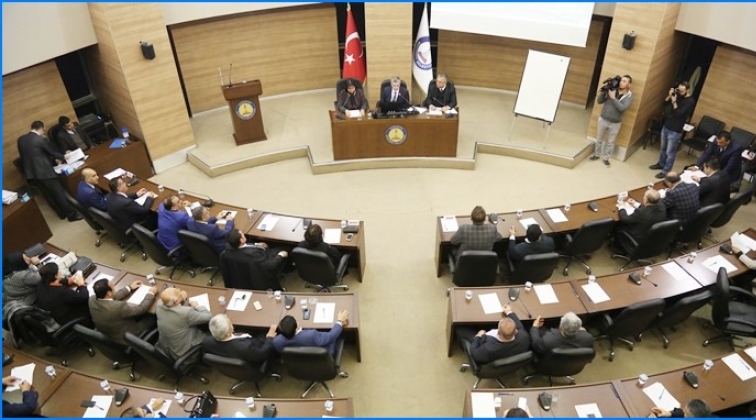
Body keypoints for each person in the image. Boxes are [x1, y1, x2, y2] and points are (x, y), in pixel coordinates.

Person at [17, 120, 82, 222]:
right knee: (59, 192)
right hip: (44, 172)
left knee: (48, 194)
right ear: (42, 128)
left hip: (32, 174)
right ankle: (72, 215)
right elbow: (52, 153)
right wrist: (64, 156)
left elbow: (33, 154)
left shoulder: (21, 139)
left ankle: (61, 214)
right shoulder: (40, 139)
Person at [89, 278, 158, 345]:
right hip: (126, 336)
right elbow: (141, 309)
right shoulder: (118, 307)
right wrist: (150, 293)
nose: (114, 287)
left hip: (110, 331)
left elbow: (111, 297)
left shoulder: (92, 299)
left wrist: (130, 287)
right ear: (109, 293)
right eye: (113, 287)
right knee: (153, 316)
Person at [650, 81, 695, 179]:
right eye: (679, 90)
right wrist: (669, 95)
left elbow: (679, 114)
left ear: (687, 90)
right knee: (663, 148)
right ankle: (661, 164)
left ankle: (666, 171)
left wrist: (674, 101)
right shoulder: (676, 95)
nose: (680, 93)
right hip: (666, 125)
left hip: (675, 130)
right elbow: (664, 103)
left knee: (670, 152)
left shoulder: (690, 101)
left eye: (682, 91)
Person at [457, 305, 530, 364]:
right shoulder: (524, 337)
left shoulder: (489, 348)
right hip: (508, 353)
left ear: (498, 332)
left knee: (460, 328)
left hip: (482, 345)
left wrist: (478, 336)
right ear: (516, 331)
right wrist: (509, 312)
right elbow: (520, 326)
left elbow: (475, 354)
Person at [155, 286, 212, 363]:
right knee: (211, 333)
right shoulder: (186, 312)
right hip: (183, 353)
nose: (179, 290)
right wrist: (197, 306)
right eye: (178, 291)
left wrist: (181, 297)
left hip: (166, 349)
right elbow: (208, 317)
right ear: (176, 301)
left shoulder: (159, 304)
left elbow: (172, 305)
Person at [590, 75, 633, 167]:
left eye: (624, 81)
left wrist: (613, 98)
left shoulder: (629, 96)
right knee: (599, 139)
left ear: (629, 85)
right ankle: (596, 155)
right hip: (603, 119)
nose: (621, 82)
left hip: (615, 123)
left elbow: (622, 108)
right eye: (621, 80)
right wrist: (604, 91)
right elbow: (599, 101)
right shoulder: (612, 89)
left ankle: (606, 158)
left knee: (610, 142)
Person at [202, 314, 277, 364]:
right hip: (255, 353)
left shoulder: (206, 342)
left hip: (235, 353)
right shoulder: (245, 347)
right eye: (230, 323)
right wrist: (269, 336)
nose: (232, 323)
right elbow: (262, 354)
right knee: (265, 332)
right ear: (227, 333)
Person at [272, 310, 349, 357]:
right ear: (296, 327)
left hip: (298, 361)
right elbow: (330, 337)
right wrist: (340, 321)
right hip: (322, 356)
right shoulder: (311, 335)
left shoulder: (276, 341)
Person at [530, 311, 594, 355]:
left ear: (560, 326)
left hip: (549, 362)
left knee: (537, 329)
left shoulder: (548, 339)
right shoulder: (588, 338)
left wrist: (534, 327)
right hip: (572, 364)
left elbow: (536, 346)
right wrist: (584, 332)